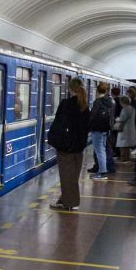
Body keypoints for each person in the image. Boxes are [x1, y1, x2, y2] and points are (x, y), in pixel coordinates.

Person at [48, 77, 90, 210]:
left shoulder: (66, 104)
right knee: (73, 176)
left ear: (70, 89)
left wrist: (54, 139)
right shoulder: (85, 106)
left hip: (66, 146)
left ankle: (70, 203)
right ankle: (64, 200)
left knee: (66, 176)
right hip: (79, 147)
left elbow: (58, 124)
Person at [87, 84, 115, 180]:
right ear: (107, 91)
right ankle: (102, 171)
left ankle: (102, 172)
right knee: (102, 150)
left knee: (99, 151)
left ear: (97, 91)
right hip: (106, 129)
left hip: (97, 129)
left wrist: (88, 127)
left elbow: (93, 116)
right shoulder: (111, 101)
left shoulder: (98, 102)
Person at [114, 96, 135, 161]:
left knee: (122, 145)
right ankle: (127, 157)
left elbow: (122, 119)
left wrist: (116, 119)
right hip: (131, 128)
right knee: (127, 145)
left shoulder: (125, 109)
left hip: (124, 129)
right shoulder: (132, 108)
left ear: (122, 102)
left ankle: (123, 157)